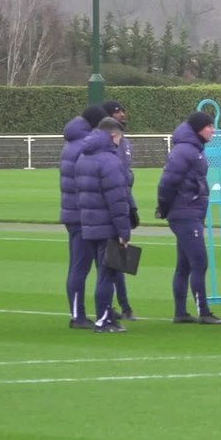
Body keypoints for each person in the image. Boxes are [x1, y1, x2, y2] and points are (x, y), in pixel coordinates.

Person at [156, 111, 221, 325]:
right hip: (185, 213)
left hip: (188, 211)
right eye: (209, 126)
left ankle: (180, 312)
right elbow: (168, 181)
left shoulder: (192, 148)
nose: (213, 130)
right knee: (199, 262)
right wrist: (164, 207)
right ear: (198, 129)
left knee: (184, 264)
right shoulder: (185, 150)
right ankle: (203, 311)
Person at [75, 117, 133, 333]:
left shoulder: (83, 156)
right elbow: (117, 200)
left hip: (89, 223)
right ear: (113, 136)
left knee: (103, 273)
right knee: (107, 275)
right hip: (107, 225)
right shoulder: (110, 161)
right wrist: (124, 232)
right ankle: (104, 319)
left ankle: (104, 317)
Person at [60, 104, 107, 328]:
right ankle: (77, 315)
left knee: (79, 266)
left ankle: (82, 313)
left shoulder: (73, 143)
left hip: (74, 211)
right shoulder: (85, 146)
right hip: (83, 213)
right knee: (81, 266)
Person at [102, 100, 138, 321]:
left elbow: (126, 177)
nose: (122, 114)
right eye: (117, 112)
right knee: (110, 262)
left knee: (117, 259)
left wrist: (131, 206)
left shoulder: (125, 142)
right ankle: (112, 308)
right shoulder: (103, 144)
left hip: (122, 202)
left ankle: (122, 306)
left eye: (123, 111)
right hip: (108, 208)